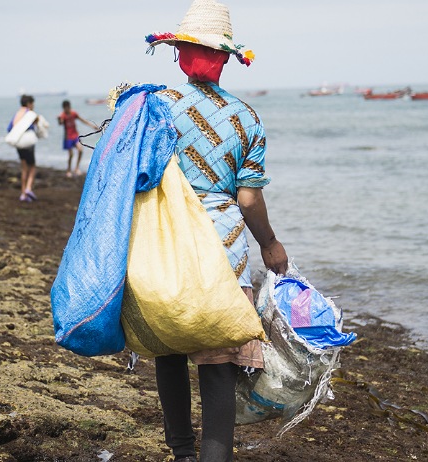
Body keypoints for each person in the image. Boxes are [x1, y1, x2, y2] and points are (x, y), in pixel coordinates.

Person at [144, 1, 287, 460]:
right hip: (224, 251)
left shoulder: (158, 107)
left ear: (180, 55)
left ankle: (181, 451)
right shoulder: (247, 118)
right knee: (219, 366)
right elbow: (248, 198)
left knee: (169, 350)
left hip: (166, 246)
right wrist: (269, 242)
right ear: (225, 58)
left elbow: (137, 177)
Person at [7, 94, 40, 202]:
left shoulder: (17, 114)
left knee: (24, 168)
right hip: (27, 143)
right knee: (33, 166)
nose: (33, 105)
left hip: (18, 143)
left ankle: (23, 193)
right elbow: (35, 126)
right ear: (29, 103)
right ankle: (29, 188)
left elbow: (9, 128)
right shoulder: (29, 114)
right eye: (33, 103)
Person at [57, 100, 97, 178]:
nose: (67, 109)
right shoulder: (63, 115)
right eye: (66, 108)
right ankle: (68, 170)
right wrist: (59, 119)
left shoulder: (73, 113)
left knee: (80, 150)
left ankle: (76, 168)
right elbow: (60, 123)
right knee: (71, 155)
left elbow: (82, 120)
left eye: (68, 107)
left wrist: (92, 126)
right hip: (68, 137)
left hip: (75, 136)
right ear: (64, 108)